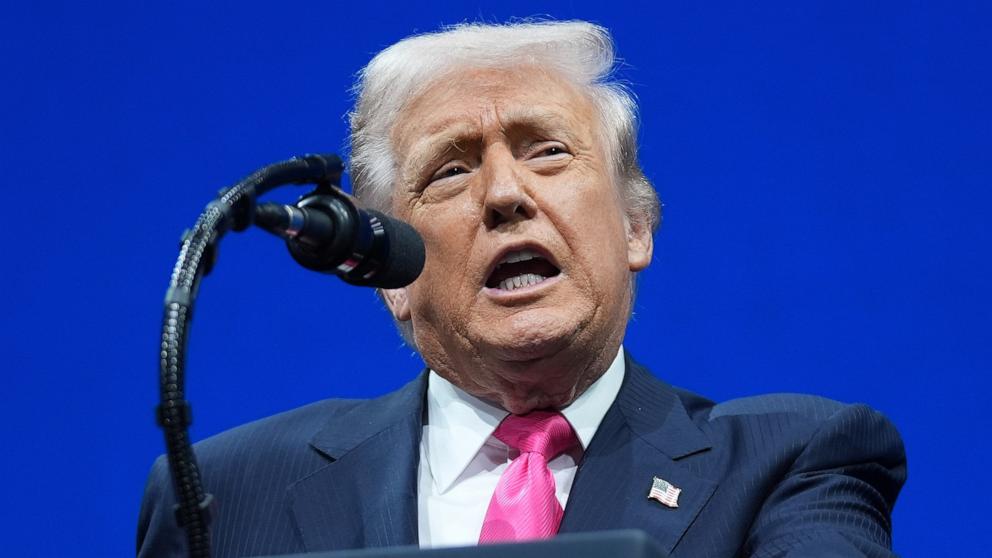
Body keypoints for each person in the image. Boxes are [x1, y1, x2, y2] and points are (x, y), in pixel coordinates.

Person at [138, 20, 906, 557]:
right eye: (451, 169)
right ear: (386, 273)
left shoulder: (788, 463)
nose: (505, 193)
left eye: (547, 153)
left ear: (636, 228)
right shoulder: (231, 491)